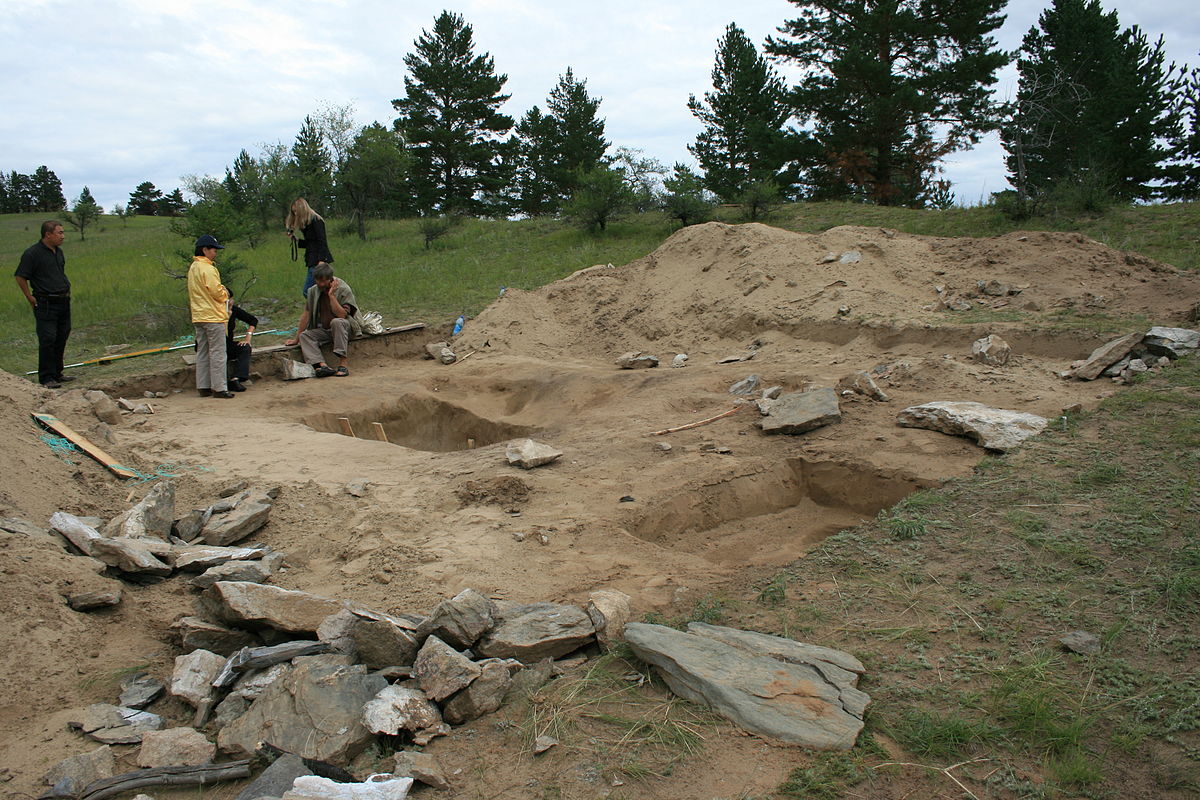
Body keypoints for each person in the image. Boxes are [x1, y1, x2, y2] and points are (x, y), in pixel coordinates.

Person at [14, 220, 74, 388]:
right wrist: (29, 297)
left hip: (63, 299)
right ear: (48, 235)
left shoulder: (58, 252)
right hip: (45, 301)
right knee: (48, 338)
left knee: (62, 335)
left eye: (63, 232)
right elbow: (20, 276)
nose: (63, 236)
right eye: (59, 233)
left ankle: (57, 373)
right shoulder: (32, 254)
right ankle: (46, 377)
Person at [284, 262, 361, 377]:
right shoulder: (313, 291)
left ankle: (343, 364)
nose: (321, 284)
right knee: (305, 336)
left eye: (324, 281)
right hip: (326, 330)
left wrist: (332, 296)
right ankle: (322, 365)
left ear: (331, 279)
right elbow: (306, 314)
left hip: (344, 329)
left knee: (336, 322)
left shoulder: (343, 289)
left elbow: (342, 315)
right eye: (318, 281)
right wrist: (296, 339)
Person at [187, 234, 234, 398]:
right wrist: (226, 293)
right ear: (205, 250)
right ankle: (219, 388)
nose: (215, 253)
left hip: (199, 315)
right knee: (218, 352)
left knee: (203, 351)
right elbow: (216, 291)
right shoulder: (208, 268)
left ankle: (203, 385)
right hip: (213, 316)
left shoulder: (193, 267)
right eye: (213, 249)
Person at [285, 198, 333, 297]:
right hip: (311, 259)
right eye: (293, 212)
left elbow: (322, 241)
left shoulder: (316, 220)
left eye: (296, 211)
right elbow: (310, 243)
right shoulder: (307, 223)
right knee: (319, 290)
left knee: (308, 291)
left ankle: (322, 308)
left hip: (318, 260)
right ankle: (321, 310)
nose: (295, 214)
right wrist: (297, 240)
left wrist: (321, 260)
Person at [225, 303, 258, 392]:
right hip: (215, 346)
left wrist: (248, 338)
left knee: (245, 347)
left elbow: (253, 320)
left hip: (228, 345)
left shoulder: (234, 310)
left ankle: (237, 378)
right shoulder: (214, 312)